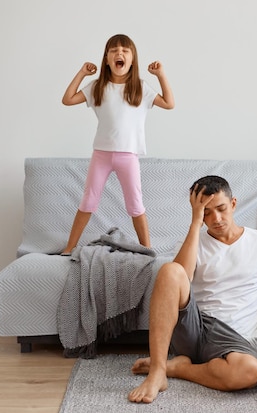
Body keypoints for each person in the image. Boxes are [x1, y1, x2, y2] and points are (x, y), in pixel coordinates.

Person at [128, 175, 257, 403]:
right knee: (170, 270)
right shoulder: (192, 241)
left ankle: (178, 369)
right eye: (207, 212)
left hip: (234, 337)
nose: (216, 219)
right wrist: (195, 223)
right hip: (195, 327)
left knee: (250, 371)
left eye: (221, 209)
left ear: (234, 204)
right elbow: (181, 277)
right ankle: (158, 371)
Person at [60, 34, 174, 254]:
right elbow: (68, 99)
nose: (119, 54)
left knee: (136, 205)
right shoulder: (97, 87)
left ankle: (147, 249)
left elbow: (169, 103)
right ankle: (69, 247)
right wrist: (82, 73)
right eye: (113, 51)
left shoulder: (140, 87)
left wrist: (160, 74)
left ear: (132, 60)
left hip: (128, 156)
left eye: (125, 51)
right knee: (88, 202)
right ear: (106, 59)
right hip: (101, 155)